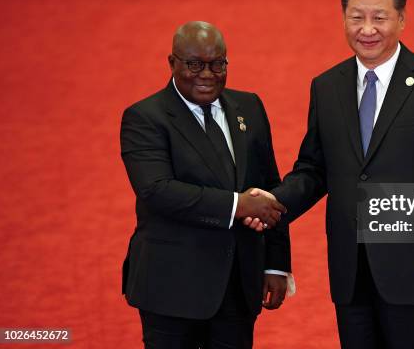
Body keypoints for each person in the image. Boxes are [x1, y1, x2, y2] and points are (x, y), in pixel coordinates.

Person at [257, 0, 414, 348]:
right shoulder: (327, 86)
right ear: (343, 17)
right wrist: (273, 203)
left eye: (380, 18)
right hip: (351, 270)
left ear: (402, 20)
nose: (367, 29)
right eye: (356, 17)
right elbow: (315, 168)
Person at [120, 21, 290, 349]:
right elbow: (157, 190)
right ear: (172, 63)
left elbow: (269, 186)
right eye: (194, 64)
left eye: (217, 64)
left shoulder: (250, 107)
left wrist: (277, 264)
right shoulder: (145, 117)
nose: (207, 74)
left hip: (238, 285)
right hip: (171, 288)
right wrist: (238, 205)